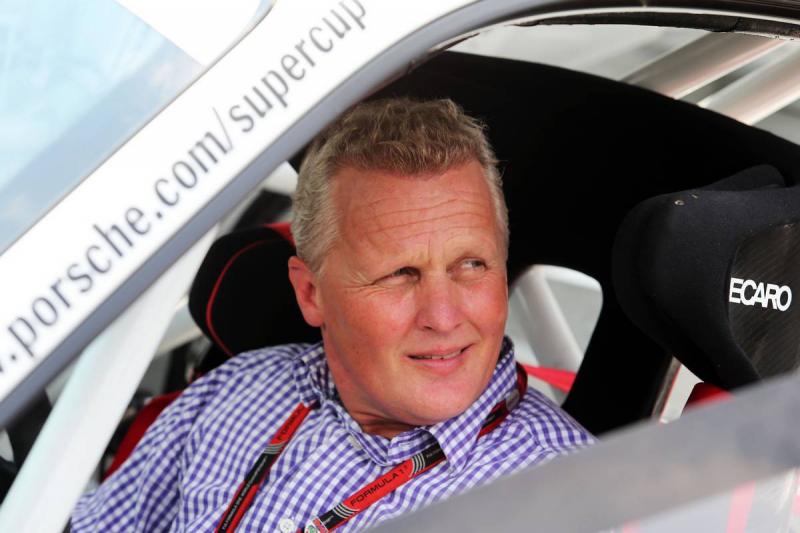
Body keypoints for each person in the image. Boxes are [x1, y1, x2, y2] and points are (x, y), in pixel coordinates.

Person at [71, 98, 593, 532]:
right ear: (310, 293)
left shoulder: (571, 501)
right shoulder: (236, 389)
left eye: (472, 265)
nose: (443, 315)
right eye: (400, 274)